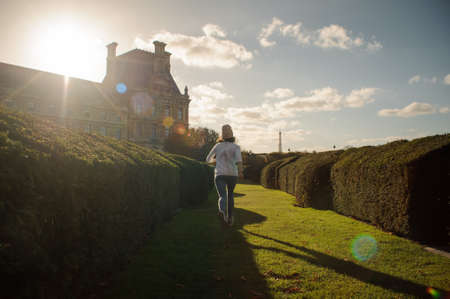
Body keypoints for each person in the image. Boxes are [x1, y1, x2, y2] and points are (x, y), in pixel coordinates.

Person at [206, 124, 243, 226]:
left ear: (222, 135)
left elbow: (207, 159)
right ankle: (230, 218)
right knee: (230, 195)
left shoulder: (217, 146)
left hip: (220, 174)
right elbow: (239, 161)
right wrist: (240, 172)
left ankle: (222, 212)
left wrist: (216, 160)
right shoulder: (236, 147)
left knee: (222, 195)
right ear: (232, 134)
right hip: (232, 174)